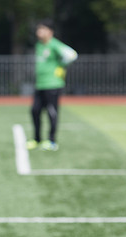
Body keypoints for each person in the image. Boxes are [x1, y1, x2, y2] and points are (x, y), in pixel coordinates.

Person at [27, 19, 78, 151]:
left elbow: (72, 55)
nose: (39, 32)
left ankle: (52, 141)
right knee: (35, 111)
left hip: (52, 84)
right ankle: (37, 139)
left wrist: (62, 66)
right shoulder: (39, 45)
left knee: (51, 112)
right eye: (38, 29)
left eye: (42, 29)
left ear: (50, 32)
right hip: (40, 84)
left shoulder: (55, 44)